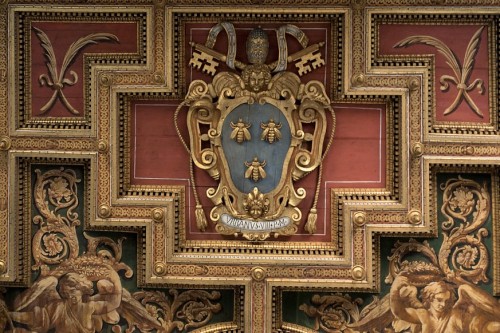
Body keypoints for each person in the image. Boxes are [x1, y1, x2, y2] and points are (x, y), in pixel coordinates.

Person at [10, 270, 122, 333]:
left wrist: (116, 279)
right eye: (68, 289)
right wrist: (11, 315)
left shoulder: (90, 307)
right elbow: (36, 318)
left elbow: (114, 303)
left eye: (75, 289)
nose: (69, 292)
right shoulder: (58, 307)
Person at [390, 273, 500, 333]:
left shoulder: (455, 315)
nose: (443, 304)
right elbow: (399, 312)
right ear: (430, 298)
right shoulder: (424, 316)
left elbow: (479, 327)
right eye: (439, 300)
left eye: (446, 301)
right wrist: (394, 290)